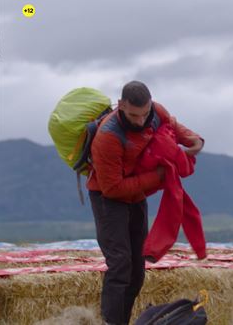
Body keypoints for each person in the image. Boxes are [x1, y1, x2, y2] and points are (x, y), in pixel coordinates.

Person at [86, 80, 203, 325]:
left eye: (144, 114)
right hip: (108, 199)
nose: (140, 121)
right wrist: (159, 176)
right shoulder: (108, 137)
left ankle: (121, 321)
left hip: (136, 196)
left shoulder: (156, 113)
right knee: (120, 266)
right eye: (133, 115)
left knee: (137, 271)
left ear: (150, 106)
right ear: (120, 106)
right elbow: (112, 188)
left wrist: (195, 140)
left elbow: (178, 130)